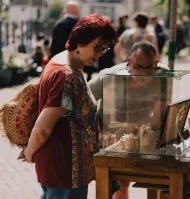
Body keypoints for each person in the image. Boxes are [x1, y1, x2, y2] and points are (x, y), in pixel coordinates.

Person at [18, 14, 119, 199]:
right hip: (64, 169)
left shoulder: (66, 60)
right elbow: (43, 127)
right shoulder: (67, 75)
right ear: (80, 42)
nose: (99, 54)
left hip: (65, 168)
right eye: (97, 47)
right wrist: (29, 152)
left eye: (104, 49)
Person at [88, 41, 170, 199]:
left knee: (159, 179)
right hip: (109, 139)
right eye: (139, 67)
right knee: (119, 184)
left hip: (140, 137)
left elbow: (159, 114)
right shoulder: (109, 76)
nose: (144, 74)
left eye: (149, 68)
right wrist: (99, 132)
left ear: (156, 64)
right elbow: (82, 101)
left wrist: (133, 127)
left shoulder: (162, 76)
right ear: (130, 63)